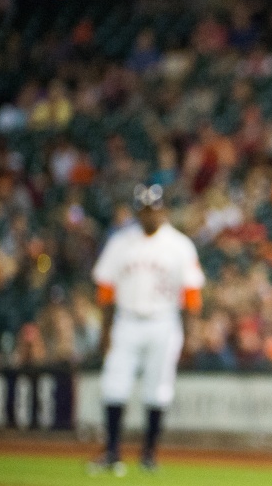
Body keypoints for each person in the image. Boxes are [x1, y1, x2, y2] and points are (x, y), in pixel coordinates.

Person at [88, 184, 205, 474]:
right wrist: (105, 332)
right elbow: (105, 290)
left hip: (163, 321)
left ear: (163, 210)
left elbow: (192, 296)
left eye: (153, 209)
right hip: (126, 320)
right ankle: (112, 452)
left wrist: (190, 336)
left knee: (158, 388)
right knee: (114, 384)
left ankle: (149, 454)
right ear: (137, 211)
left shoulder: (179, 245)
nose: (148, 215)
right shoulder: (120, 241)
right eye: (143, 209)